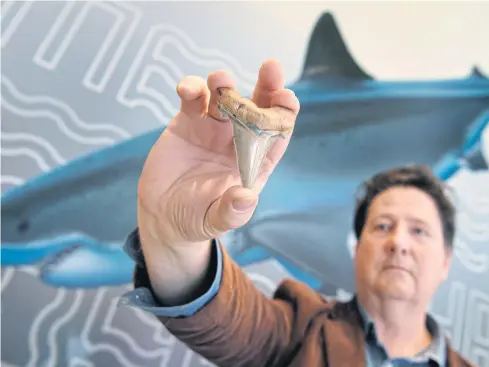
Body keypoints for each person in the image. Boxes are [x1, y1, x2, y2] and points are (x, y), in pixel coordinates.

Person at [118, 59, 476, 367]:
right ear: (356, 247)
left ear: (446, 260)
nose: (399, 243)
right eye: (382, 226)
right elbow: (227, 319)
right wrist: (175, 238)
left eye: (419, 231)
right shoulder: (299, 331)